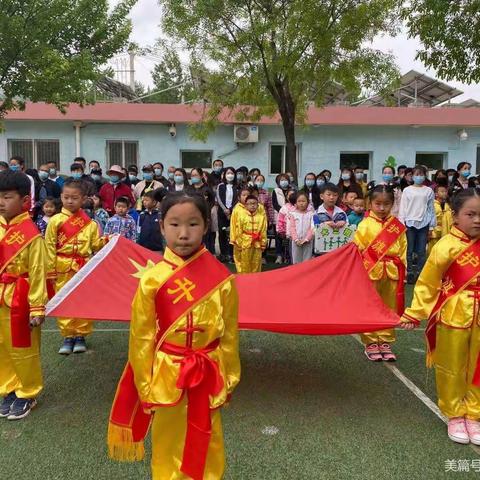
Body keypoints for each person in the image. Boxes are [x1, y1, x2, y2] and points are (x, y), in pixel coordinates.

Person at [108, 192, 240, 479]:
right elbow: (141, 337)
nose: (183, 234)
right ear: (161, 226)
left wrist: (230, 376)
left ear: (206, 226)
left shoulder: (221, 278)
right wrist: (144, 384)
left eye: (193, 224)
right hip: (167, 372)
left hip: (208, 370)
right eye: (174, 225)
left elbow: (229, 333)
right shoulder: (151, 280)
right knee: (166, 440)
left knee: (209, 437)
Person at [401, 188, 480, 445]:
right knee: (452, 364)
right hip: (454, 312)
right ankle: (455, 413)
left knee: (478, 366)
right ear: (455, 216)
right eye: (471, 214)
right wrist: (415, 312)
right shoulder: (445, 245)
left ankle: (475, 414)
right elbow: (428, 282)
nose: (477, 219)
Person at [0, 171, 48, 420]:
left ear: (24, 201)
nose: (1, 202)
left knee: (23, 347)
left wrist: (38, 307)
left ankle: (27, 392)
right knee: (2, 348)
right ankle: (8, 388)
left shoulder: (31, 234)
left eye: (7, 197)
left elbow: (39, 271)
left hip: (20, 299)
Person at [45, 179, 106, 355]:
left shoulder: (90, 223)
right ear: (61, 197)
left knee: (83, 300)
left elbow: (95, 246)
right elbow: (49, 246)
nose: (70, 201)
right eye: (66, 197)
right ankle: (67, 335)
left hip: (83, 267)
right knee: (64, 300)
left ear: (83, 199)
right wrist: (50, 269)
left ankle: (81, 335)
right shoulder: (55, 221)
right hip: (62, 266)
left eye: (74, 198)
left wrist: (107, 241)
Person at [354, 184, 407, 362]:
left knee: (388, 307)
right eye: (378, 204)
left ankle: (385, 340)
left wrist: (402, 270)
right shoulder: (365, 224)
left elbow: (403, 251)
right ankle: (370, 341)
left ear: (392, 204)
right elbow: (359, 249)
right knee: (370, 306)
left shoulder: (397, 226)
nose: (382, 208)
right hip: (371, 271)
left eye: (386, 204)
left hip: (392, 271)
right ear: (370, 203)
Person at [398, 165, 436, 283]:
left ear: (425, 176)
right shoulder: (407, 190)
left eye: (421, 174)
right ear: (412, 176)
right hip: (409, 223)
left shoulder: (428, 190)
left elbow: (431, 208)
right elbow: (403, 207)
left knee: (421, 251)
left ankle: (420, 273)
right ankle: (409, 272)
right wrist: (401, 223)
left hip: (424, 223)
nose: (419, 176)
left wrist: (431, 226)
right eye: (416, 174)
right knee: (408, 250)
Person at [230, 193, 267, 273]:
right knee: (245, 263)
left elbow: (263, 231)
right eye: (250, 204)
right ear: (245, 206)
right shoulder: (241, 217)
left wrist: (263, 243)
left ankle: (256, 281)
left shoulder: (261, 217)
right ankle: (245, 281)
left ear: (258, 205)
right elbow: (238, 231)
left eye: (254, 204)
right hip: (245, 243)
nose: (252, 206)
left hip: (257, 244)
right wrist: (239, 243)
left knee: (256, 263)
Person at [186, 168, 215, 254]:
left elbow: (212, 202)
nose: (193, 177)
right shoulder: (189, 189)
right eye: (192, 176)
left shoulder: (207, 189)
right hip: (190, 217)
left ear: (201, 176)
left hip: (204, 217)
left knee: (205, 240)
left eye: (195, 175)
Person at [216, 167, 238, 262]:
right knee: (222, 234)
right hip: (222, 213)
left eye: (232, 173)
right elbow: (219, 198)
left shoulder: (237, 186)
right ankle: (223, 253)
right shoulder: (220, 186)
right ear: (224, 175)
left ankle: (231, 254)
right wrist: (225, 210)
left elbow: (237, 200)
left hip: (233, 213)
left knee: (232, 234)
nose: (230, 175)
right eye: (228, 173)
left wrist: (231, 210)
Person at [288, 192, 314, 264]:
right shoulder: (293, 214)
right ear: (296, 203)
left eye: (303, 201)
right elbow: (292, 228)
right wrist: (296, 239)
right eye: (299, 201)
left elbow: (312, 228)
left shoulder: (311, 214)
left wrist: (306, 239)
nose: (301, 203)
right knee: (296, 260)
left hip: (308, 241)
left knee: (307, 260)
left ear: (308, 202)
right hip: (296, 241)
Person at [428, 184, 452, 254]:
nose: (444, 193)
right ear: (436, 194)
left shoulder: (447, 205)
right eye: (442, 191)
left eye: (445, 191)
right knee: (432, 252)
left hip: (446, 232)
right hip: (435, 233)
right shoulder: (432, 205)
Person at [272, 174, 291, 264]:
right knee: (278, 237)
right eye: (282, 180)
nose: (284, 181)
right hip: (279, 217)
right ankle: (279, 255)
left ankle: (287, 255)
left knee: (288, 237)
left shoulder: (292, 190)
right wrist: (283, 211)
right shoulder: (276, 191)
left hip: (290, 217)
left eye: (285, 179)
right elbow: (274, 204)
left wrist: (288, 212)